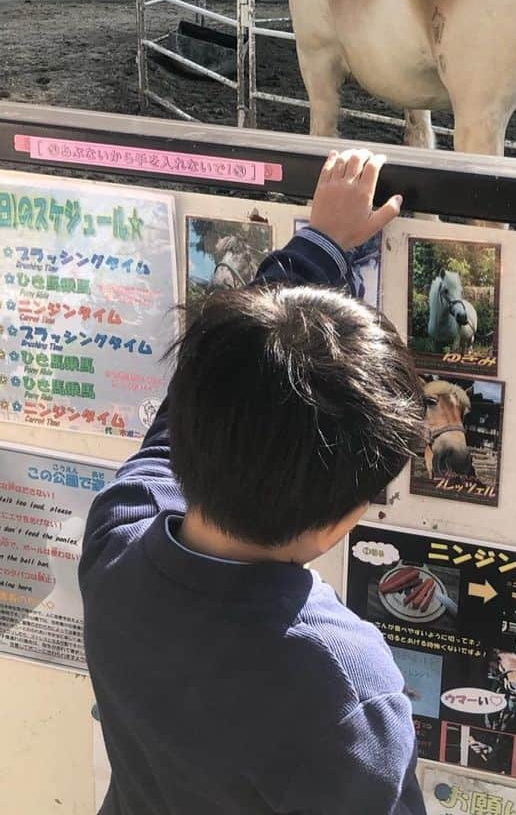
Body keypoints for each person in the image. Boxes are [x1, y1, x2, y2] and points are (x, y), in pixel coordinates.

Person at [80, 149, 428, 815]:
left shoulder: (117, 538)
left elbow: (195, 396)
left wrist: (316, 247)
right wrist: (322, 245)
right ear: (339, 522)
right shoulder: (345, 684)